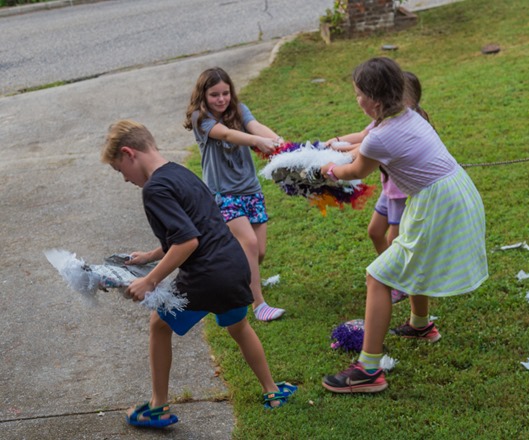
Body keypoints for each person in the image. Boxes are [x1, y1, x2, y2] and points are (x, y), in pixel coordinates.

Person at [101, 120, 296, 427]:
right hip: (233, 266)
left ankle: (158, 407)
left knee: (158, 325)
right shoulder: (178, 172)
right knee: (240, 328)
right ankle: (273, 391)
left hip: (207, 274)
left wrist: (150, 280)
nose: (124, 179)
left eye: (119, 170)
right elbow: (195, 229)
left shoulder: (154, 189)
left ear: (129, 154)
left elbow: (187, 242)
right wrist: (151, 256)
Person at [319, 57, 488, 393]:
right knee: (413, 262)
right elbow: (362, 152)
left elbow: (354, 171)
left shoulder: (379, 137)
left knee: (378, 276)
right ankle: (421, 325)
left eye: (358, 95)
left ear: (375, 100)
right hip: (447, 192)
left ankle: (368, 370)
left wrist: (325, 170)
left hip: (438, 203)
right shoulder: (405, 115)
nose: (357, 100)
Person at [184, 67, 284, 322]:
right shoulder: (200, 118)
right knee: (248, 243)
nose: (221, 99)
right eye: (214, 94)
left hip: (251, 190)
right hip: (224, 194)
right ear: (203, 96)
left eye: (225, 93)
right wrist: (255, 141)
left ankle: (252, 280)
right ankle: (258, 304)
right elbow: (227, 134)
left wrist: (281, 143)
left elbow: (255, 126)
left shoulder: (239, 109)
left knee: (258, 251)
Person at [325, 71, 431, 304]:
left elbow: (365, 150)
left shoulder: (407, 122)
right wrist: (337, 141)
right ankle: (393, 277)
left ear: (407, 100)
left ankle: (397, 280)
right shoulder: (384, 119)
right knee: (374, 232)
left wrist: (335, 163)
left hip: (402, 193)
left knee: (396, 244)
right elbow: (365, 136)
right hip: (388, 189)